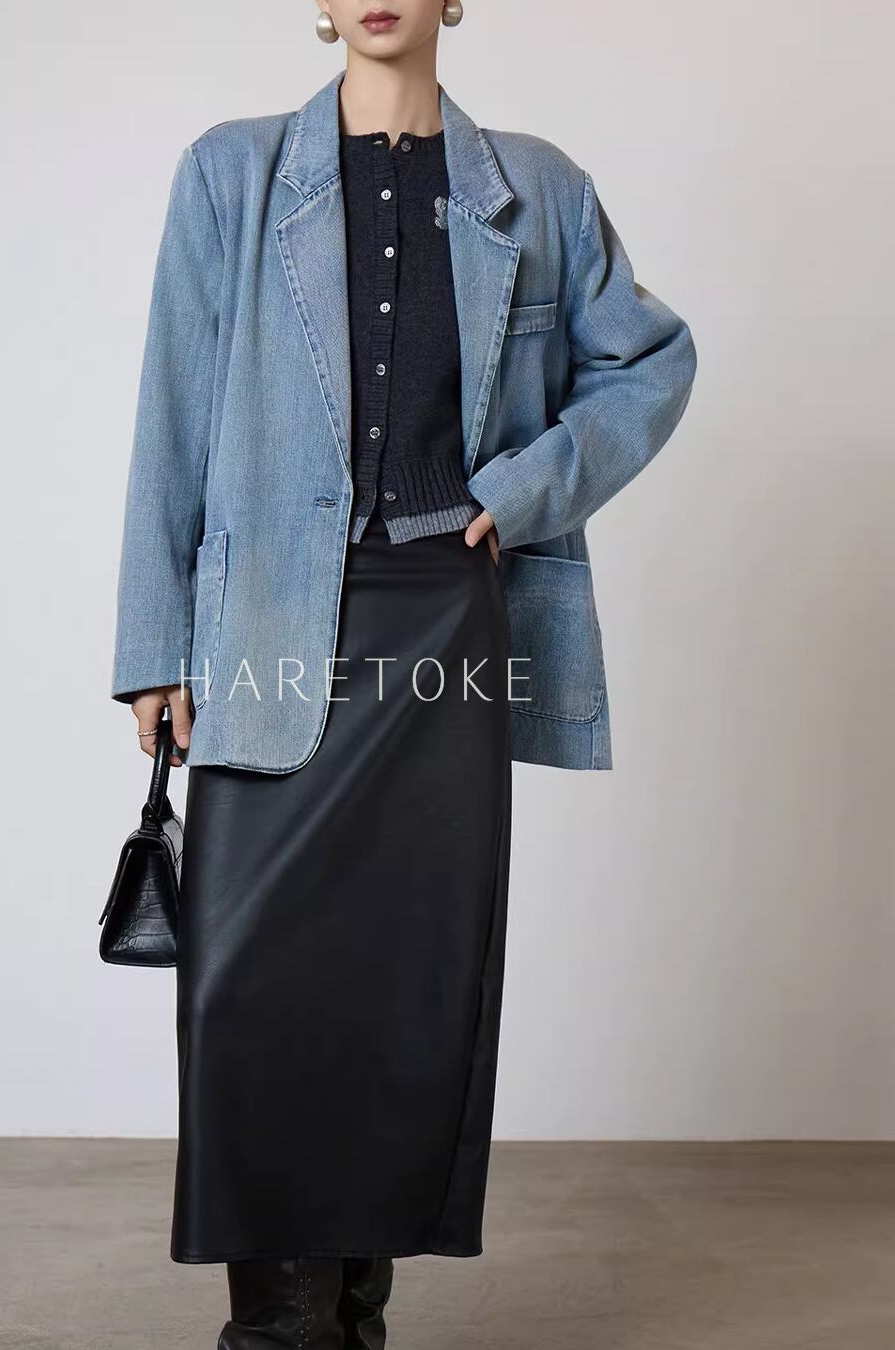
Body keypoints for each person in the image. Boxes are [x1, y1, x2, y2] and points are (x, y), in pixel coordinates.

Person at [111, 2, 696, 1345]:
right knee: (249, 995)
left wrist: (526, 488)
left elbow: (650, 362)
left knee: (405, 997)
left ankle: (343, 1320)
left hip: (444, 630)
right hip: (266, 629)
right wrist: (153, 645)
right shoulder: (231, 171)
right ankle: (274, 1327)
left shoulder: (534, 187)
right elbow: (173, 411)